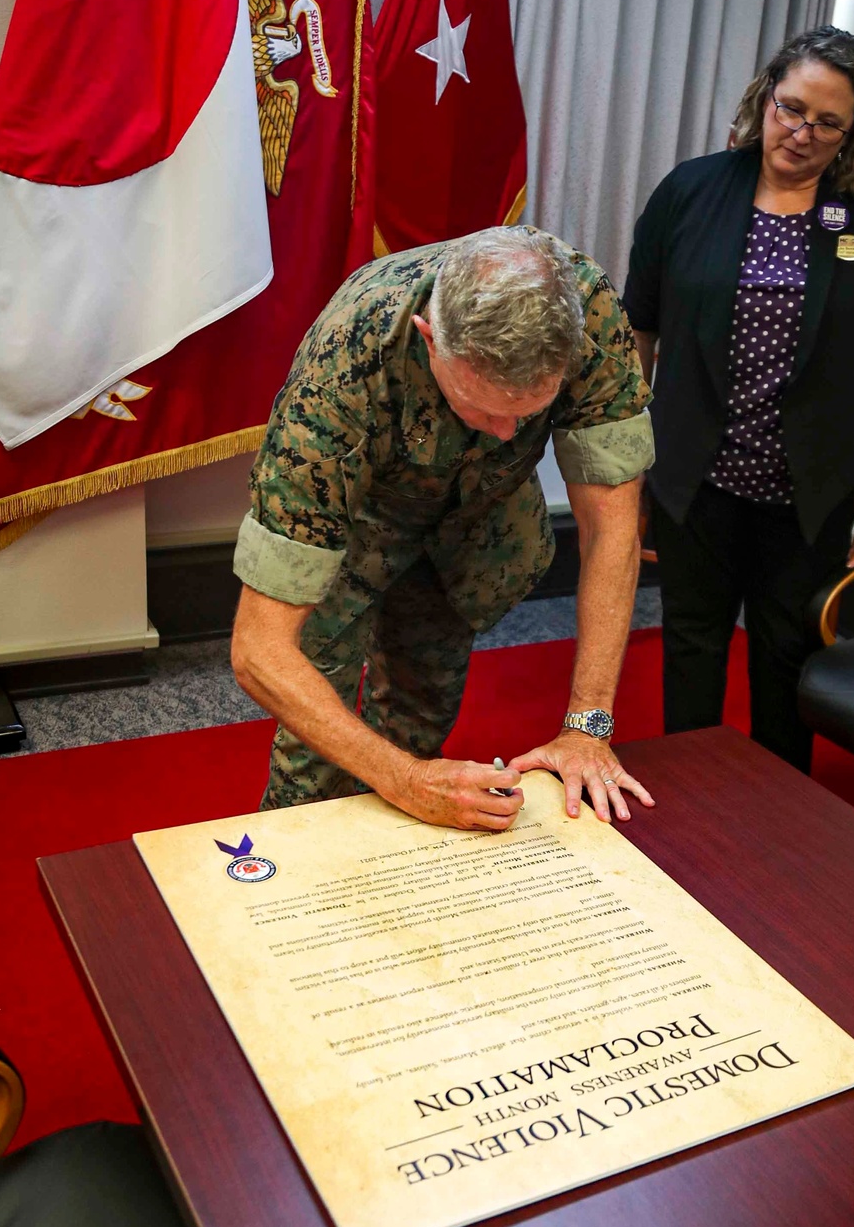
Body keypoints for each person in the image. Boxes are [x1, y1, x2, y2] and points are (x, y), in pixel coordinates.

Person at [231, 226, 656, 831]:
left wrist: (587, 724)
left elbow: (612, 527)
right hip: (353, 533)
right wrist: (401, 779)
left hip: (475, 532)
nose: (508, 434)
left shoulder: (585, 311)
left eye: (528, 412)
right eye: (483, 409)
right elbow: (258, 650)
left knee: (421, 717)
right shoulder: (345, 368)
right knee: (314, 762)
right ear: (432, 340)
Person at [622, 25, 854, 773]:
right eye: (790, 109)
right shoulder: (691, 190)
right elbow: (639, 331)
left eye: (828, 122)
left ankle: (776, 807)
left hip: (812, 488)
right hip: (694, 475)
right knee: (692, 641)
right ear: (764, 97)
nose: (802, 133)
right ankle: (686, 789)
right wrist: (628, 457)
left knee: (786, 651)